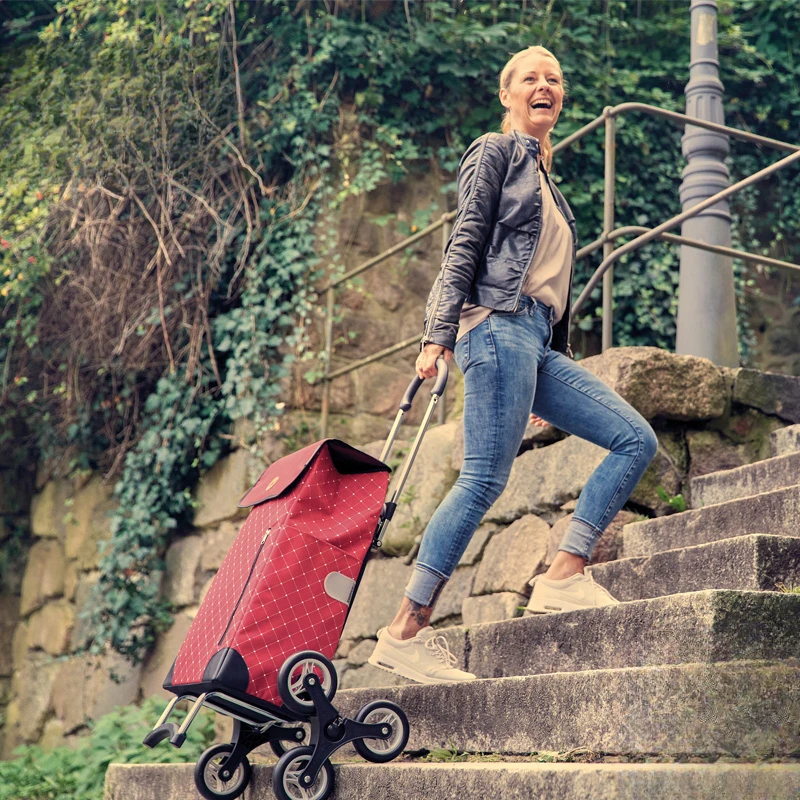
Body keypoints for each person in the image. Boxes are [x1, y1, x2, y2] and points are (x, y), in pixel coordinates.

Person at [368, 46, 658, 685]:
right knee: (482, 480)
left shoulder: (549, 182)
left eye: (554, 79)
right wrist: (437, 335)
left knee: (634, 438)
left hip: (534, 344)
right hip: (494, 328)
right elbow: (465, 242)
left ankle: (562, 574)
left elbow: (550, 282)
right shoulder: (495, 153)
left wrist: (544, 367)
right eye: (531, 78)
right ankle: (403, 631)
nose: (544, 86)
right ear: (508, 96)